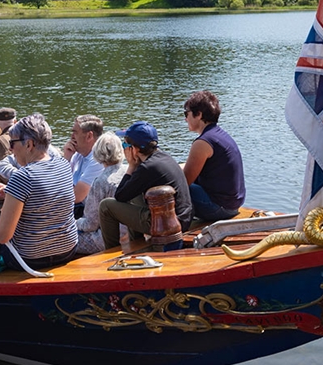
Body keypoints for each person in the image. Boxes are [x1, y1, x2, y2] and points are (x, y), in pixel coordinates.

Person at [0, 114, 77, 269]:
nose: (10, 149)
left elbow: (3, 236)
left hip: (29, 258)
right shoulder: (63, 165)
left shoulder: (22, 177)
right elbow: (44, 195)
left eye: (12, 143)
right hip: (67, 250)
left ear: (29, 144)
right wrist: (10, 192)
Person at [99, 121, 192, 251]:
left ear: (135, 149)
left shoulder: (148, 167)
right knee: (134, 194)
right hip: (182, 219)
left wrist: (131, 166)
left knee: (106, 206)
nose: (124, 148)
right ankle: (137, 243)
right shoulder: (164, 157)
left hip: (167, 225)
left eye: (126, 144)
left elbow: (120, 196)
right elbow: (128, 193)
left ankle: (111, 252)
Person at [182, 91, 246, 221]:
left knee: (169, 186)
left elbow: (184, 182)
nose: (185, 119)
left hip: (220, 209)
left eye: (186, 113)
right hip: (233, 205)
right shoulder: (219, 135)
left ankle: (167, 229)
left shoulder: (203, 143)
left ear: (198, 114)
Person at [74, 132, 127, 256]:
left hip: (107, 238)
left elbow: (90, 224)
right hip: (129, 232)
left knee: (65, 241)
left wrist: (72, 223)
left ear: (97, 154)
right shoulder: (127, 171)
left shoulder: (101, 182)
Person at [62, 115, 103, 218]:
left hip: (88, 217)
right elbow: (56, 182)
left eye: (75, 132)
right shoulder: (77, 154)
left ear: (89, 136)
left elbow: (76, 196)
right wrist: (66, 158)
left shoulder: (97, 160)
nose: (71, 137)